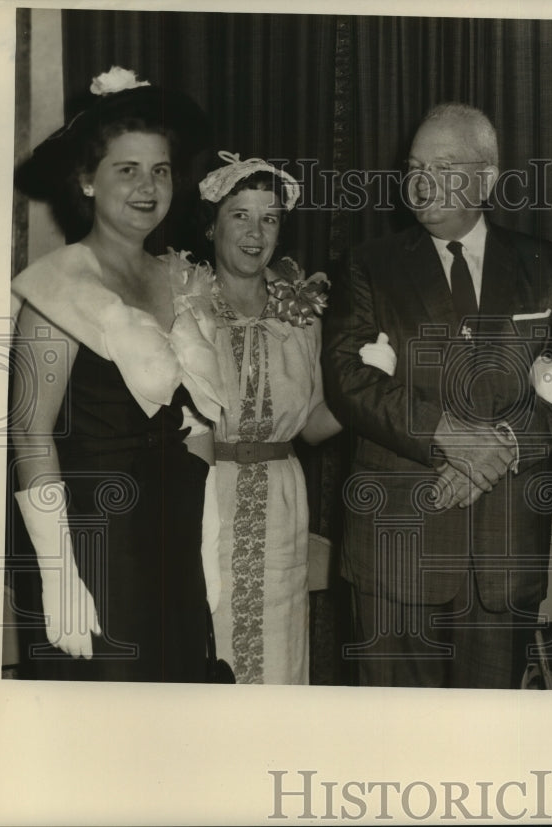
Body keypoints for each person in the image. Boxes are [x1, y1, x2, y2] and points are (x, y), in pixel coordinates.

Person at [322, 102, 552, 689]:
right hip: (397, 546)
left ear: (487, 178)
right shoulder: (368, 265)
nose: (422, 182)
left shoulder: (546, 265)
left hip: (504, 556)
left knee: (489, 743)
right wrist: (449, 435)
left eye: (445, 167)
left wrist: (495, 448)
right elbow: (348, 380)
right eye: (414, 166)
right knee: (395, 743)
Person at [9, 67, 225, 682]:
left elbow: (194, 419)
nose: (147, 187)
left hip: (173, 530)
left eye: (159, 170)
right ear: (86, 180)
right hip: (95, 539)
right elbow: (30, 435)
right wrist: (58, 572)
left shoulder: (177, 277)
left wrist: (206, 541)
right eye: (125, 169)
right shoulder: (56, 289)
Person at [197, 151, 342, 685]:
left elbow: (313, 424)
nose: (255, 232)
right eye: (240, 215)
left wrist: (366, 388)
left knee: (278, 656)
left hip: (283, 501)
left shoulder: (300, 314)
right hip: (206, 495)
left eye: (270, 218)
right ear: (211, 224)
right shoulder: (182, 305)